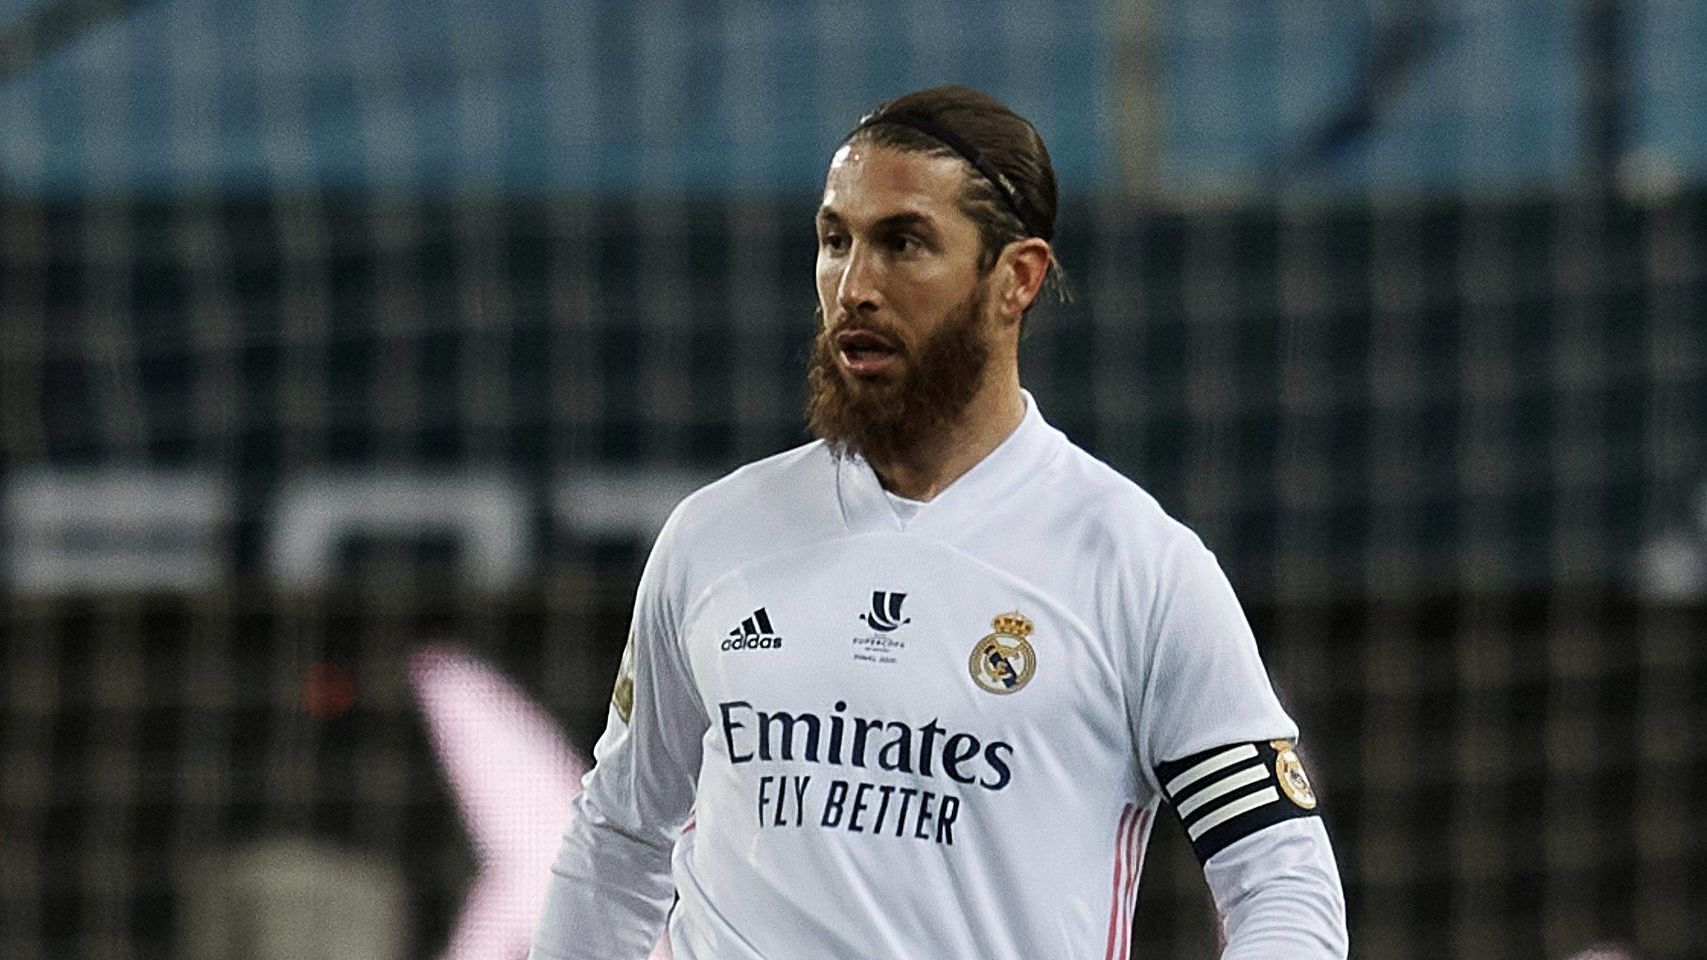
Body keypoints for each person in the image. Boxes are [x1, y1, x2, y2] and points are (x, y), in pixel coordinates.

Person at [530, 85, 1348, 959]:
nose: (854, 287)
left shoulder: (1137, 567)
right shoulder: (713, 537)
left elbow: (1280, 879)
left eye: (903, 244)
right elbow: (618, 839)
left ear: (1016, 277)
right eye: (835, 240)